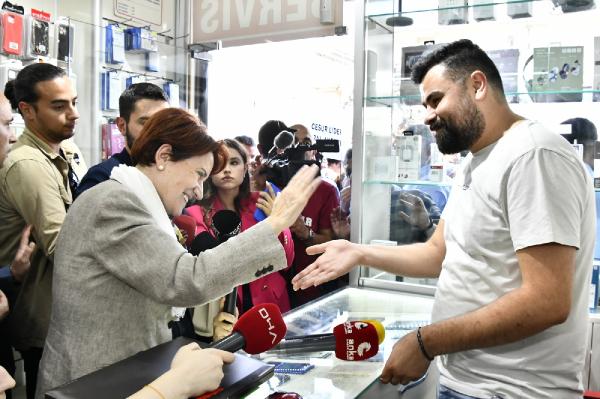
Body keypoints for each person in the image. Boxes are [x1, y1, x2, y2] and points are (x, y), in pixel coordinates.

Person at [292, 39, 595, 399]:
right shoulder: (477, 161)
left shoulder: (533, 155)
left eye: (436, 100)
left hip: (513, 390)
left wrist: (425, 342)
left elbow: (546, 300)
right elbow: (439, 253)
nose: (427, 115)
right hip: (470, 382)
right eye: (424, 105)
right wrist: (359, 252)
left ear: (477, 85)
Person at [36, 108, 320, 397]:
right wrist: (275, 224)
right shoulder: (114, 202)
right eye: (198, 175)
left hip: (128, 375)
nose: (198, 190)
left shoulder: (139, 204)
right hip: (92, 381)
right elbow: (184, 279)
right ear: (164, 156)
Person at [0, 63, 87, 399]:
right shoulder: (27, 164)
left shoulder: (68, 152)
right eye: (59, 105)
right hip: (41, 316)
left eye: (74, 102)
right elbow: (63, 245)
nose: (74, 114)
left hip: (65, 312)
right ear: (28, 111)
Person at [187, 139, 294, 340]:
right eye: (220, 164)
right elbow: (210, 267)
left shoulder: (262, 201)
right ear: (209, 169)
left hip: (270, 301)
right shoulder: (197, 213)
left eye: (234, 163)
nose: (226, 170)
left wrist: (277, 223)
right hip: (226, 310)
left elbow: (287, 260)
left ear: (245, 168)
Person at [257, 120, 340, 307]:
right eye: (294, 142)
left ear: (314, 149)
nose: (300, 147)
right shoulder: (272, 184)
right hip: (272, 289)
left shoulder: (326, 190)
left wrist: (305, 233)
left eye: (306, 142)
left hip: (310, 289)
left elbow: (330, 242)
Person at [76, 83, 169, 197]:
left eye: (163, 123)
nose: (157, 131)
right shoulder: (103, 178)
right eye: (146, 123)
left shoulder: (172, 173)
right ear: (122, 126)